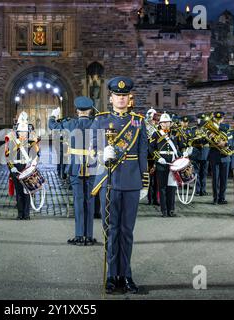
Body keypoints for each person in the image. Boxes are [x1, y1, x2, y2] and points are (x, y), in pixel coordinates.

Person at [90, 76, 148, 294]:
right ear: (111, 97)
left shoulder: (138, 121)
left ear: (129, 97)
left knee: (127, 231)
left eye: (125, 96)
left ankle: (127, 275)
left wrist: (144, 182)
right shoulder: (101, 120)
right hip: (110, 179)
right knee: (111, 230)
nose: (121, 99)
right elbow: (93, 149)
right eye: (118, 95)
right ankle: (112, 276)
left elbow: (143, 152)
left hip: (132, 181)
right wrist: (101, 155)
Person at [49, 96, 96, 246]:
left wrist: (53, 116)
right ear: (90, 110)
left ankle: (79, 235)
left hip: (76, 166)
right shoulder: (97, 123)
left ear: (77, 111)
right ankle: (88, 236)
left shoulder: (71, 123)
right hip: (92, 166)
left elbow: (52, 126)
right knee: (90, 201)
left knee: (78, 201)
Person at [149, 113, 187, 217]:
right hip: (162, 163)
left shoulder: (175, 133)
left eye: (168, 122)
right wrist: (158, 158)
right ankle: (164, 210)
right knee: (162, 187)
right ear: (160, 123)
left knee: (172, 187)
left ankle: (171, 209)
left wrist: (184, 153)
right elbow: (151, 148)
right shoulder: (156, 134)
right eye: (164, 122)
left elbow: (182, 145)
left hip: (174, 163)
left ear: (170, 123)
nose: (166, 124)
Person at [5, 111, 40, 220]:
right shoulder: (12, 141)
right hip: (16, 168)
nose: (23, 134)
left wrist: (33, 166)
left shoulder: (31, 142)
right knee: (19, 192)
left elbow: (36, 155)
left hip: (27, 168)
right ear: (18, 132)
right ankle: (20, 214)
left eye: (24, 132)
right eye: (21, 132)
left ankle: (27, 214)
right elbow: (7, 156)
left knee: (27, 191)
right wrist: (12, 168)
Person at [208, 112, 231, 205]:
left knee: (224, 179)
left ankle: (222, 198)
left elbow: (229, 138)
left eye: (219, 119)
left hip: (225, 156)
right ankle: (215, 198)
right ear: (214, 119)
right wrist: (210, 136)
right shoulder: (209, 129)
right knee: (215, 179)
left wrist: (224, 143)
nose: (218, 120)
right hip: (214, 155)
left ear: (223, 119)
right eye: (216, 119)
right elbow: (207, 140)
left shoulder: (226, 126)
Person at [191, 113, 209, 196]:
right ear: (197, 120)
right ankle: (197, 190)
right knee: (196, 172)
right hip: (196, 152)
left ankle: (203, 190)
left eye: (203, 119)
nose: (201, 121)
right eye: (200, 119)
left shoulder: (208, 130)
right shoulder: (193, 129)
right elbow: (190, 139)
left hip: (205, 152)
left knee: (204, 173)